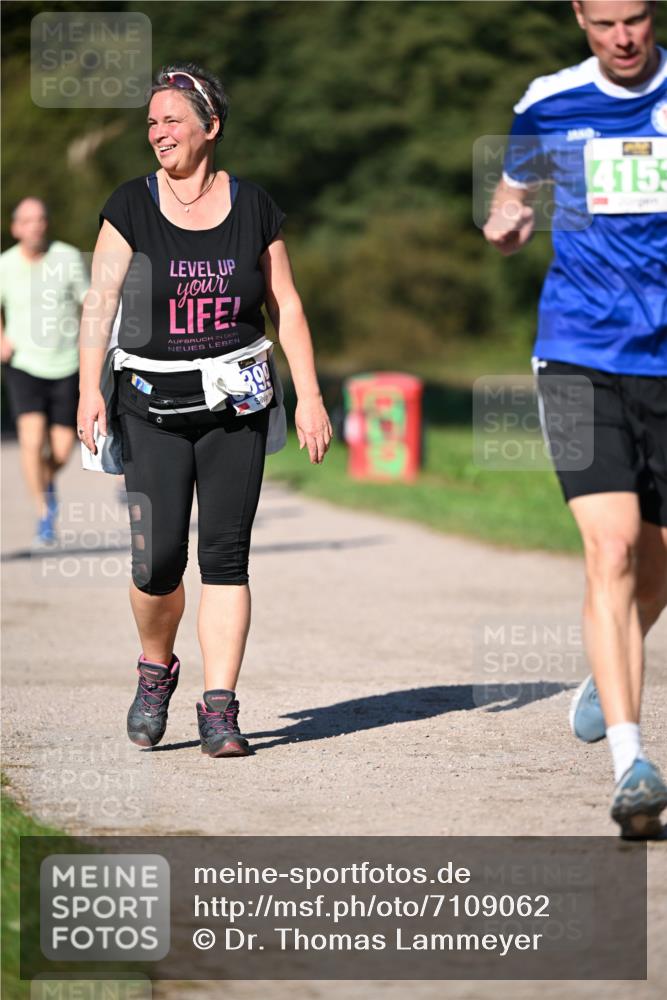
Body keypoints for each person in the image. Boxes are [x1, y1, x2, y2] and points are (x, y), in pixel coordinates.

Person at [78, 63, 332, 758]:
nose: (158, 133)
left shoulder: (253, 206)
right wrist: (85, 388)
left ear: (210, 128)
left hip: (237, 404)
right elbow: (99, 302)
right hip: (150, 407)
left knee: (225, 556)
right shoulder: (130, 204)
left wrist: (308, 395)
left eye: (172, 121)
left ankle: (219, 708)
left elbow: (287, 306)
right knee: (157, 561)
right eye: (152, 123)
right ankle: (155, 668)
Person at [483, 1, 667, 837]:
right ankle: (631, 763)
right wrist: (506, 222)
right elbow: (511, 192)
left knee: (657, 562)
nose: (622, 38)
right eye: (604, 23)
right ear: (580, 19)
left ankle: (606, 667)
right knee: (612, 544)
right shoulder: (548, 100)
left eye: (635, 18)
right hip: (578, 352)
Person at [1, 198, 89, 544]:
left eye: (40, 219)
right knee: (31, 440)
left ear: (46, 224)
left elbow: (89, 303)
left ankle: (46, 479)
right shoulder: (5, 265)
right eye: (27, 220)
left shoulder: (67, 258)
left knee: (63, 448)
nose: (35, 226)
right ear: (15, 228)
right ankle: (43, 513)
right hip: (24, 363)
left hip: (66, 363)